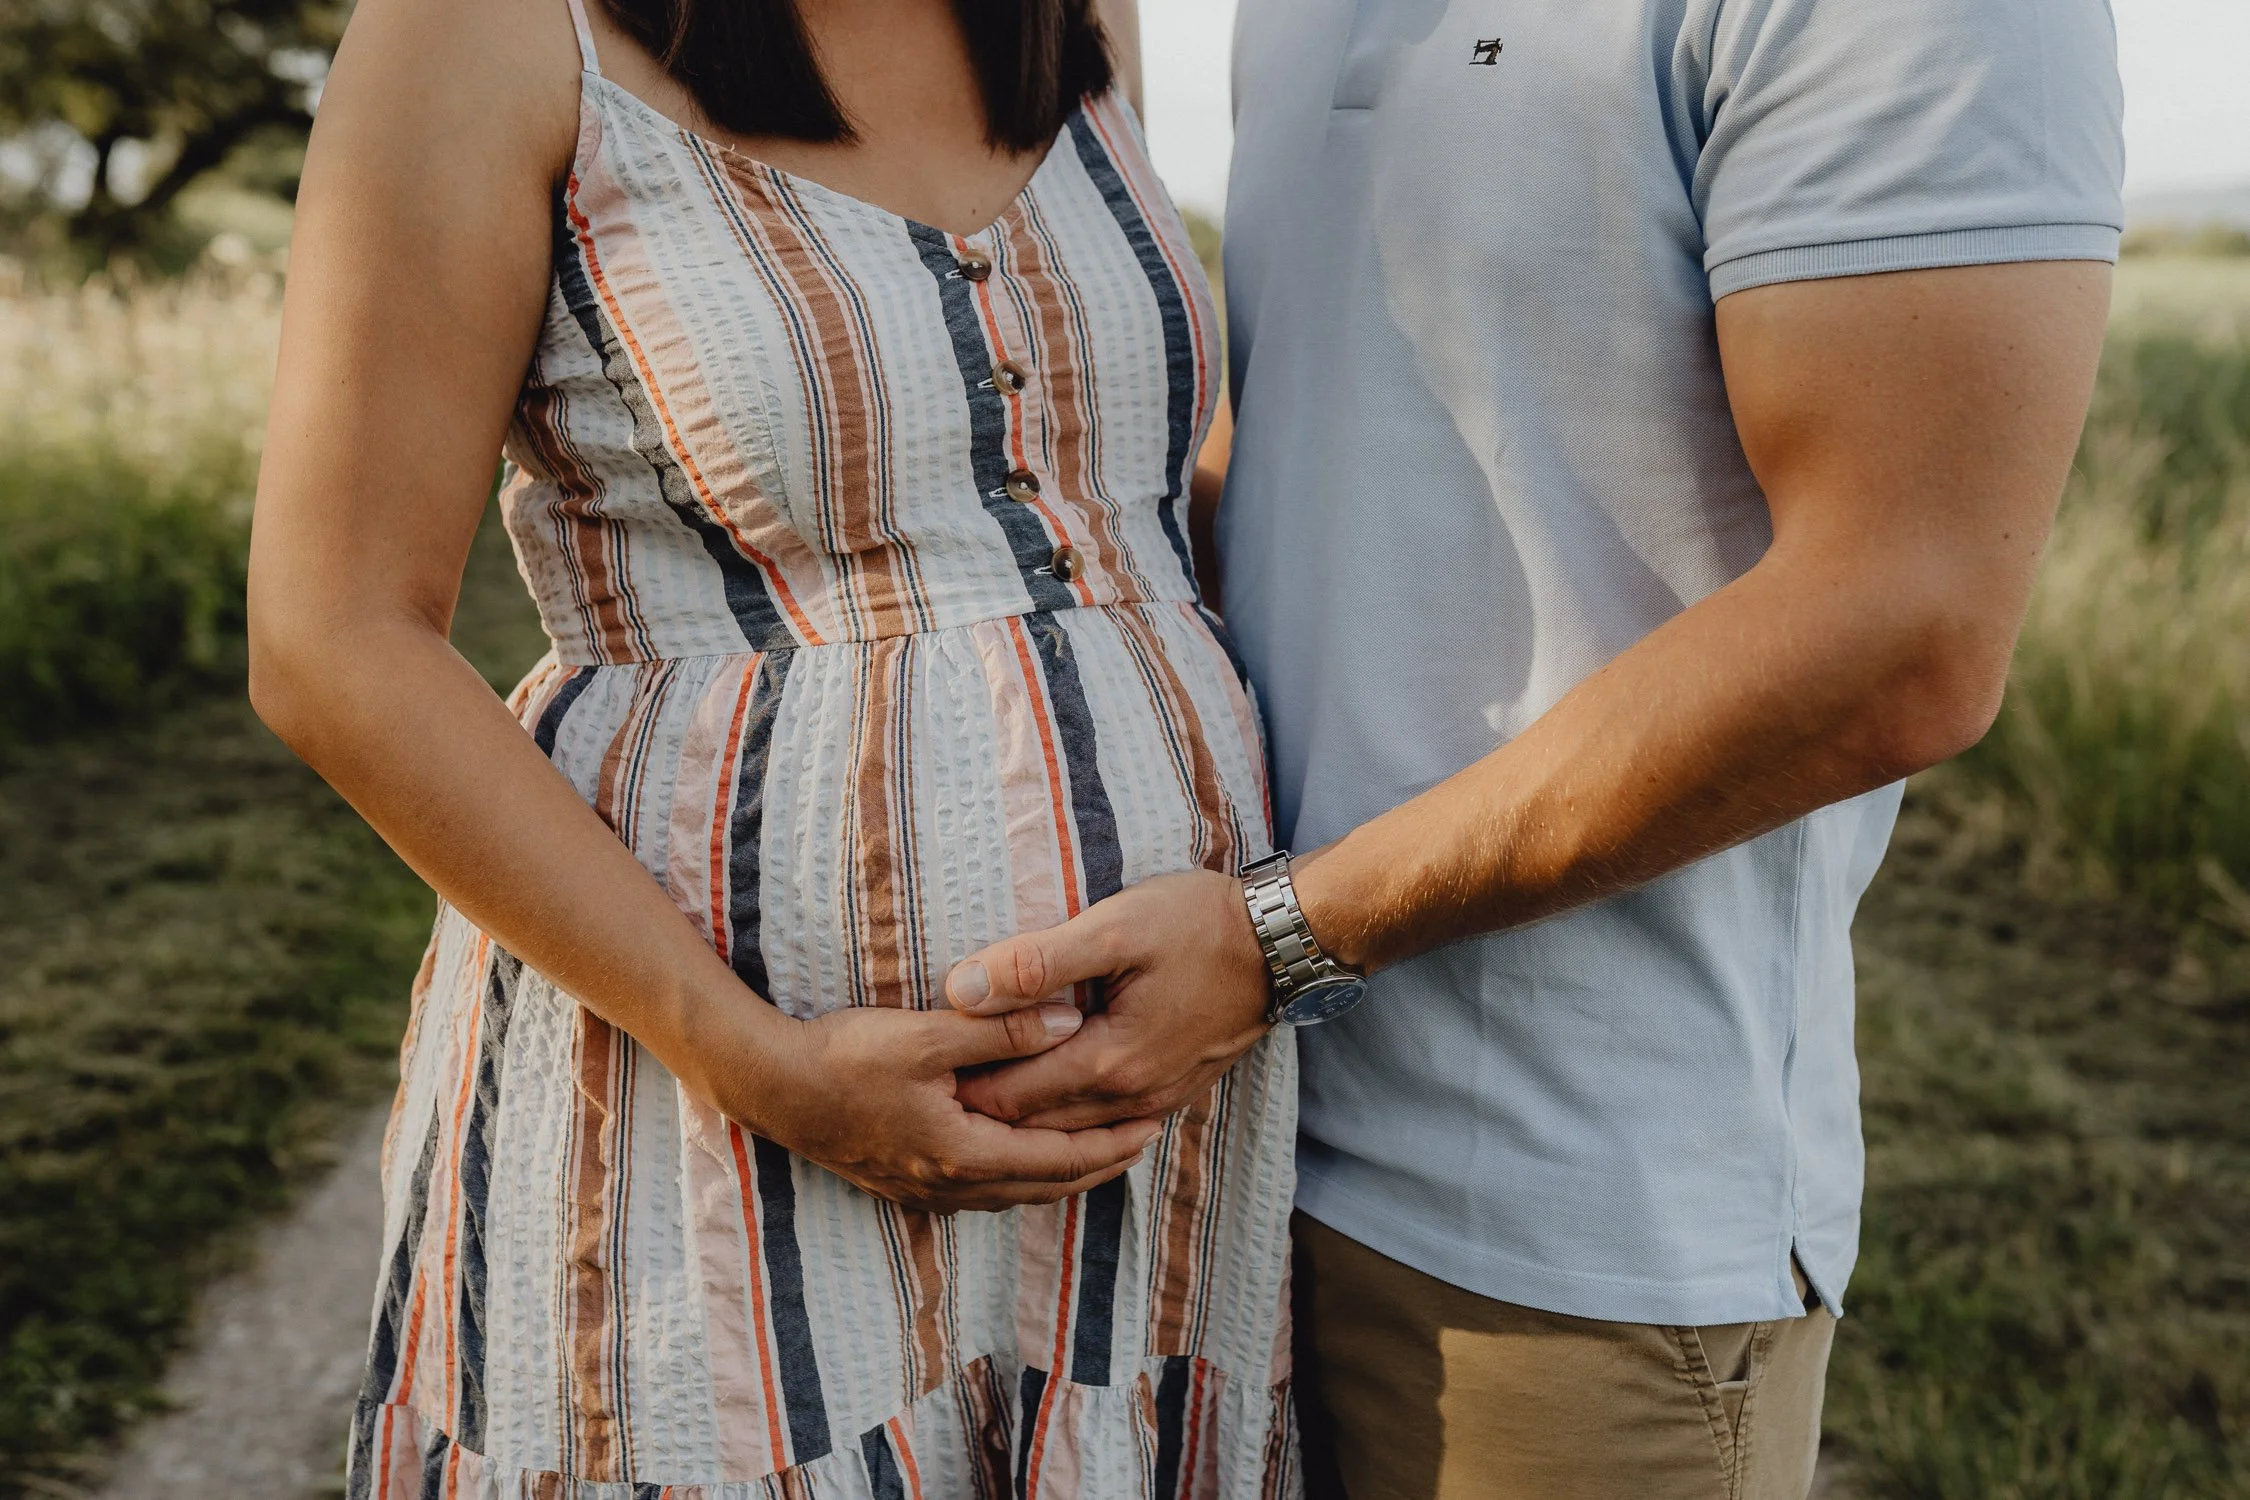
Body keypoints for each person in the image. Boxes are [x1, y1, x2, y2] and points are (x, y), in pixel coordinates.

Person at [944, 0, 2126, 1494]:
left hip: (1558, 1233)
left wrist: (1275, 944)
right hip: (1192, 1144)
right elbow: (1302, 431)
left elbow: (1902, 631)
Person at [246, 0, 1298, 1493]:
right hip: (721, 1091)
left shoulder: (1075, 13)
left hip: (1149, 1103)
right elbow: (331, 638)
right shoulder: (480, 31)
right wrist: (752, 1060)